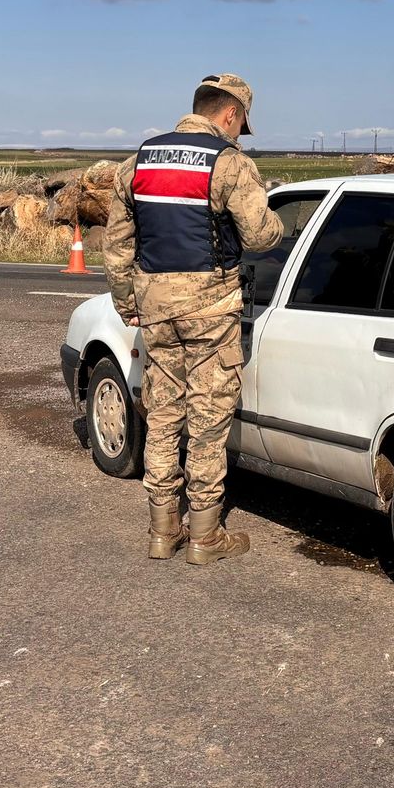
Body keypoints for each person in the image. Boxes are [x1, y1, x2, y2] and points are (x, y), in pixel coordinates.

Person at [103, 74, 283, 565]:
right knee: (207, 419)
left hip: (155, 307)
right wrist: (272, 214)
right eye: (242, 122)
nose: (240, 131)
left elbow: (117, 247)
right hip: (210, 308)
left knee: (163, 414)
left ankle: (163, 530)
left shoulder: (137, 161)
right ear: (231, 113)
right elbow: (262, 236)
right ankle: (205, 533)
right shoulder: (229, 163)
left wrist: (127, 302)